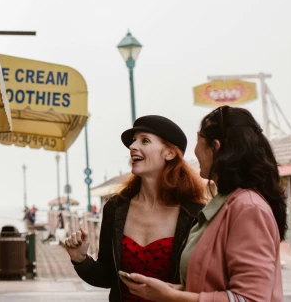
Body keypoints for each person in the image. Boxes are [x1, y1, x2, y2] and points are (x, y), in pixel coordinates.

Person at [120, 106, 286, 302]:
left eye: (198, 142)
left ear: (215, 148)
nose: (195, 152)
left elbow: (251, 299)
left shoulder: (248, 208)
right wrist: (176, 289)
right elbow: (214, 283)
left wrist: (172, 296)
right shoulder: (226, 204)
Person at [64, 115, 206, 302]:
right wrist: (80, 259)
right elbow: (107, 277)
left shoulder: (195, 213)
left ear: (169, 153)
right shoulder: (115, 208)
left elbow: (207, 282)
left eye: (144, 140)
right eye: (133, 141)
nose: (132, 147)